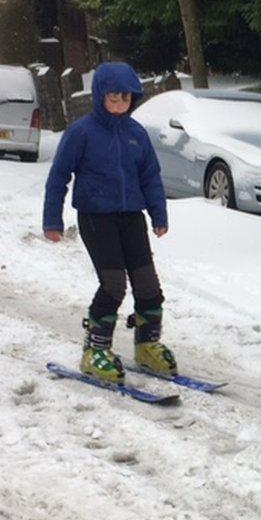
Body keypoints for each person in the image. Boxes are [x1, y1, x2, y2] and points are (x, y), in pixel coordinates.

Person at [42, 62, 177, 384]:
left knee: (148, 286)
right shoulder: (81, 132)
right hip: (95, 218)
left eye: (125, 100)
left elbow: (150, 177)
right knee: (114, 285)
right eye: (112, 99)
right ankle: (95, 349)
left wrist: (159, 214)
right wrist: (52, 220)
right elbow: (59, 177)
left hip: (131, 217)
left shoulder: (136, 134)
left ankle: (147, 344)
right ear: (100, 96)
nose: (119, 106)